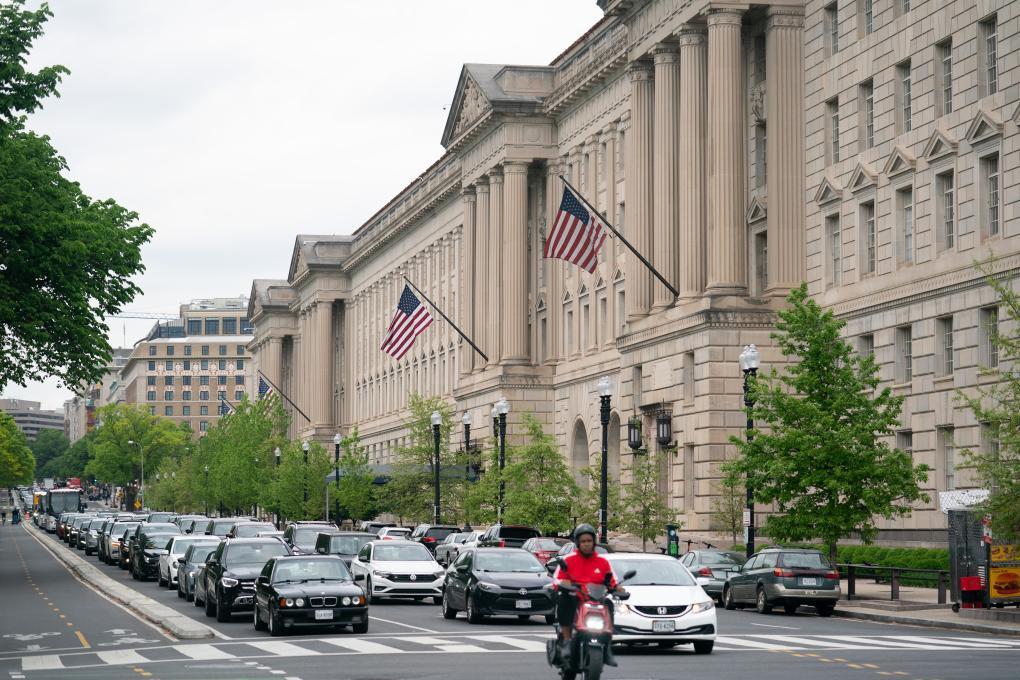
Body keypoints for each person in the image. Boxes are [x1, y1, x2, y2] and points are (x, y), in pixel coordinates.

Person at [552, 524, 624, 667]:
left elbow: (611, 581)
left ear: (594, 542)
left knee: (609, 604)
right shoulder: (569, 560)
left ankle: (607, 647)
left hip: (596, 599)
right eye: (583, 541)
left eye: (589, 541)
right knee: (565, 599)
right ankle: (567, 640)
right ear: (578, 543)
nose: (586, 544)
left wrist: (618, 589)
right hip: (576, 598)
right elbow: (558, 580)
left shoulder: (603, 562)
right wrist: (565, 584)